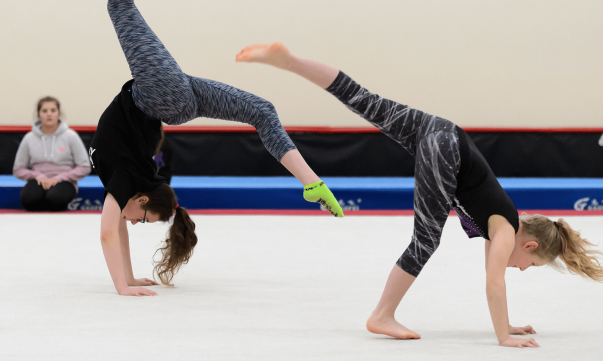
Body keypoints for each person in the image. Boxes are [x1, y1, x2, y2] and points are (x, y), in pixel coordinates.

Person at [235, 42, 603, 348]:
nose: (522, 270)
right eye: (532, 266)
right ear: (530, 246)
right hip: (447, 149)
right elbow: (495, 282)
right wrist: (504, 336)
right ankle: (381, 315)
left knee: (363, 100)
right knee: (425, 241)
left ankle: (290, 62)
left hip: (439, 129)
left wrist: (509, 324)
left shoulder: (505, 223)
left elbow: (493, 279)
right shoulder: (506, 231)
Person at [92, 1, 343, 298]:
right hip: (163, 95)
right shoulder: (127, 180)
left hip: (169, 101)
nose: (133, 222)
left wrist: (126, 281)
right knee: (261, 111)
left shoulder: (126, 181)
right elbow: (112, 231)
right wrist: (125, 283)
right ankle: (311, 182)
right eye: (142, 220)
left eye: (140, 221)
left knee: (262, 111)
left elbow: (112, 232)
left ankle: (312, 182)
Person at [13, 96, 91, 211]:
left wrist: (60, 178)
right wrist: (38, 176)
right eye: (44, 111)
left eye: (53, 110)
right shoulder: (29, 138)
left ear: (58, 113)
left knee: (55, 199)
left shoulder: (71, 136)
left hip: (65, 181)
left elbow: (84, 167)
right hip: (38, 180)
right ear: (39, 115)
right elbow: (18, 169)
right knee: (28, 200)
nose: (49, 114)